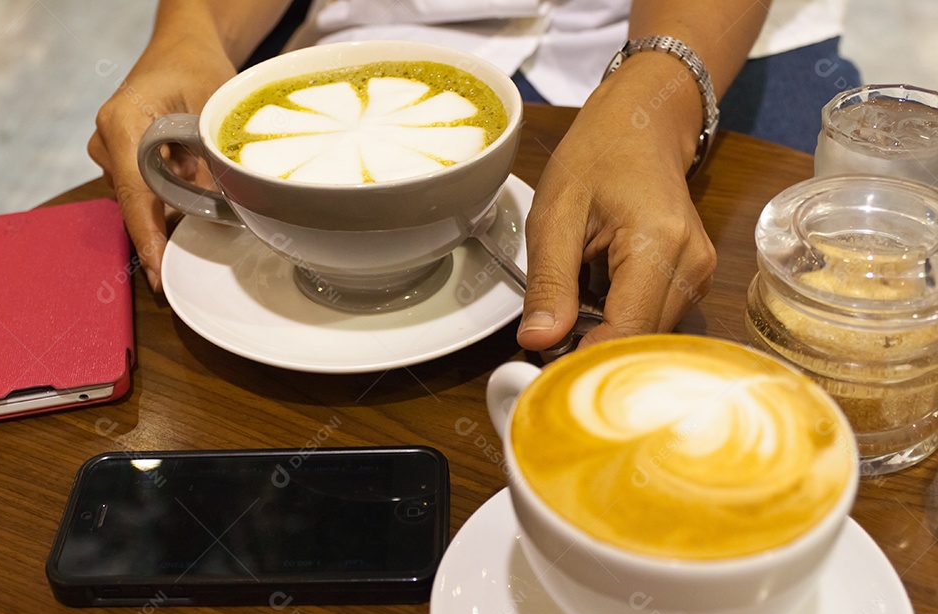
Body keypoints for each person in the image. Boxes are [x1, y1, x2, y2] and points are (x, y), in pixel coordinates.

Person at [88, 1, 849, 352]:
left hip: (692, 24)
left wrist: (663, 98)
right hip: (374, 31)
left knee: (809, 308)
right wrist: (193, 30)